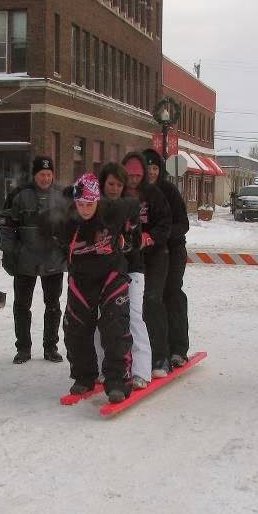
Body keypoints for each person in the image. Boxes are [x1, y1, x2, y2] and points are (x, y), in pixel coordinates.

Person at [54, 173, 135, 404]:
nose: (85, 209)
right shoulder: (67, 221)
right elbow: (57, 242)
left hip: (112, 274)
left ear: (97, 201)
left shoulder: (112, 210)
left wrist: (129, 236)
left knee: (114, 325)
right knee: (75, 327)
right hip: (81, 277)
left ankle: (118, 381)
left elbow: (133, 210)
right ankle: (84, 376)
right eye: (80, 204)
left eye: (89, 204)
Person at [0, 156, 68, 364]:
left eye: (49, 174)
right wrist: (10, 252)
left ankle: (51, 347)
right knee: (21, 306)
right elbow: (7, 227)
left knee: (53, 305)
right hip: (25, 260)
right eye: (41, 174)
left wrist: (65, 249)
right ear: (34, 175)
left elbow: (70, 227)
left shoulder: (61, 197)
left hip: (53, 260)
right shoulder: (19, 195)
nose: (45, 178)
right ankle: (23, 348)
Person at [95, 162, 149, 389]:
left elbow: (136, 240)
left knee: (133, 316)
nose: (114, 188)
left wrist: (125, 243)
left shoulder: (130, 207)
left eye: (119, 184)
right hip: (102, 271)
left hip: (131, 269)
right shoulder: (94, 207)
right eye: (110, 184)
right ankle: (101, 368)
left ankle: (141, 370)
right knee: (101, 319)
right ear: (103, 184)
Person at [121, 151, 173, 377]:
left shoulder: (154, 194)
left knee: (151, 301)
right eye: (129, 175)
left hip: (154, 256)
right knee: (125, 308)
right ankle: (126, 354)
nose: (133, 179)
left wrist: (149, 237)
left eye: (137, 175)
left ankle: (161, 356)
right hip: (128, 258)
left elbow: (166, 224)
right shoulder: (118, 193)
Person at [142, 148, 191, 369]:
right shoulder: (136, 192)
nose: (151, 172)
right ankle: (153, 346)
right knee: (152, 300)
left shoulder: (168, 190)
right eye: (147, 168)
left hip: (173, 250)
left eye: (154, 168)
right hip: (149, 254)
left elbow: (184, 224)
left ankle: (178, 348)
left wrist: (163, 233)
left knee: (172, 294)